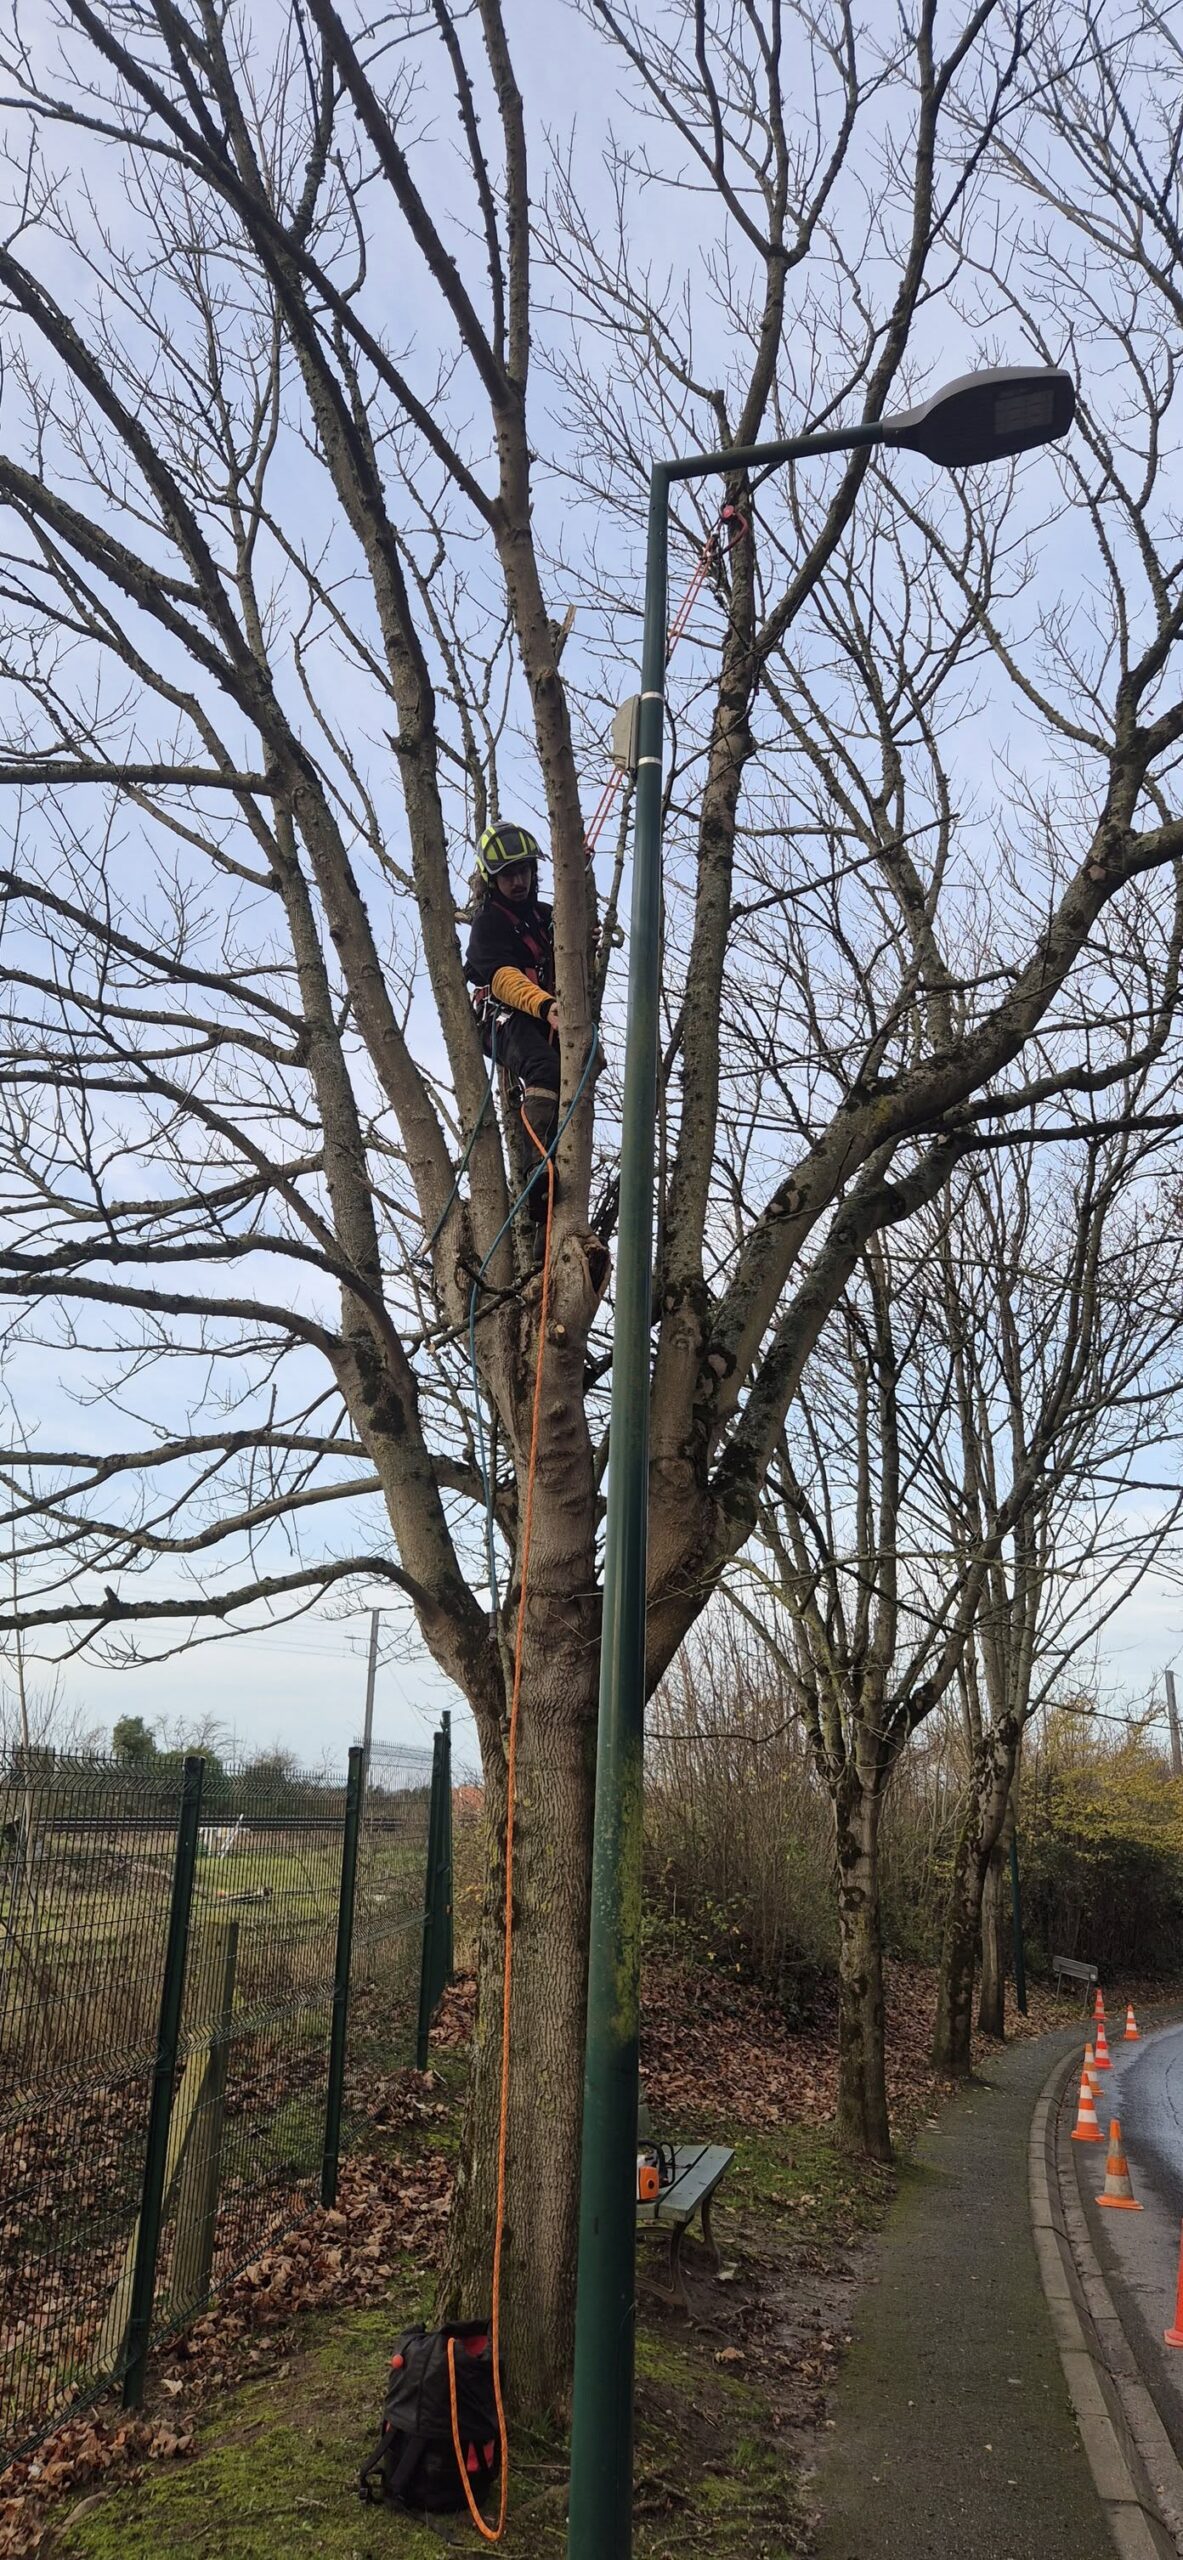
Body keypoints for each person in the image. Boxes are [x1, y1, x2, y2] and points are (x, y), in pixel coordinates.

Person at [464, 821, 560, 1227]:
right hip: (503, 1017)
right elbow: (503, 978)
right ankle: (537, 1171)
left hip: (545, 1015)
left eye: (523, 871)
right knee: (544, 1067)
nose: (518, 881)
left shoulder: (546, 917)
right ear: (492, 880)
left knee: (581, 1067)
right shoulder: (489, 923)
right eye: (508, 875)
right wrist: (544, 1005)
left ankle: (559, 1157)